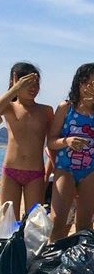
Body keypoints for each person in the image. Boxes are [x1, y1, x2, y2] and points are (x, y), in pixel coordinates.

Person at [47, 63, 94, 241]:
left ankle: (79, 261)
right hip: (65, 168)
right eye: (85, 82)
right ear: (77, 84)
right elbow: (51, 141)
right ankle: (52, 260)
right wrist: (67, 141)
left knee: (85, 225)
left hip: (90, 170)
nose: (89, 87)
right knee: (58, 221)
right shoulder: (66, 107)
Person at [0, 63, 53, 219]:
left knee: (34, 222)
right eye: (28, 83)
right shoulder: (9, 107)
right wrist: (15, 89)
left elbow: (52, 145)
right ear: (15, 82)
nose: (33, 87)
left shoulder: (46, 110)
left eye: (36, 83)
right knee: (8, 221)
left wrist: (50, 174)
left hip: (36, 173)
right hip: (11, 172)